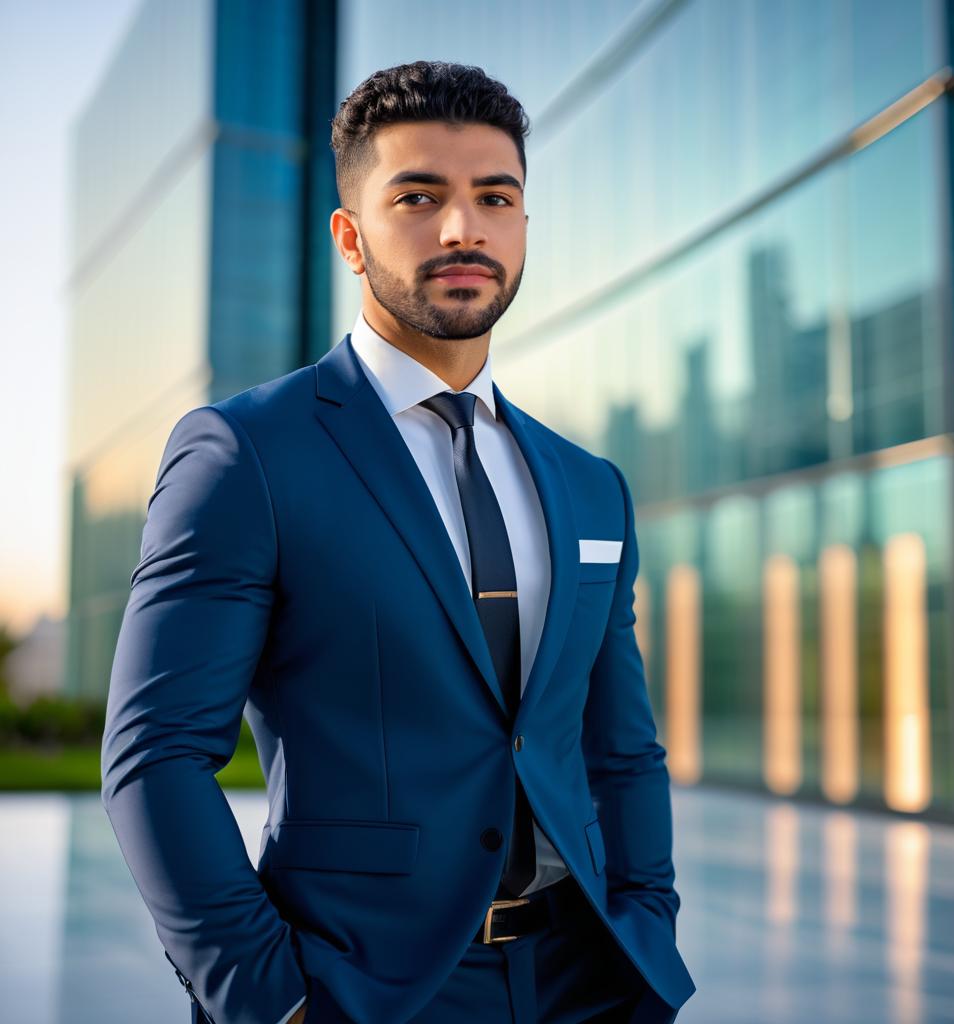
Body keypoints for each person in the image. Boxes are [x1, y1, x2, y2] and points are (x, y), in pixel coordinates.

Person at [101, 60, 697, 1024]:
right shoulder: (247, 452)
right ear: (349, 235)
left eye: (494, 198)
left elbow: (619, 749)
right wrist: (272, 1001)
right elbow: (155, 752)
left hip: (585, 980)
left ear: (523, 229)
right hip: (356, 987)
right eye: (418, 196)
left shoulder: (592, 487)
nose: (463, 228)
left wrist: (647, 931)